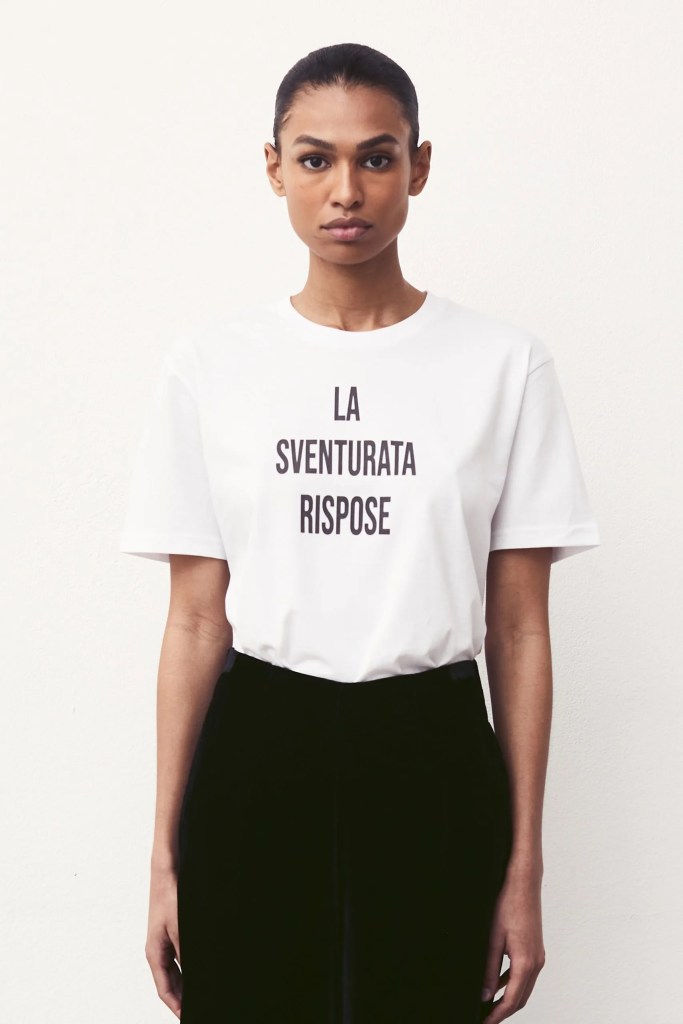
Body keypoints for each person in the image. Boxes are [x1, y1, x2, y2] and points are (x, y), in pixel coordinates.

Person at [119, 41, 600, 1024]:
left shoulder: (501, 365)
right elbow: (196, 621)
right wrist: (163, 854)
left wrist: (524, 865)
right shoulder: (212, 365)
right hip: (259, 748)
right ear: (273, 168)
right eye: (315, 158)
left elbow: (517, 628)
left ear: (417, 166)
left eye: (376, 157)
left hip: (431, 750)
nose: (346, 190)